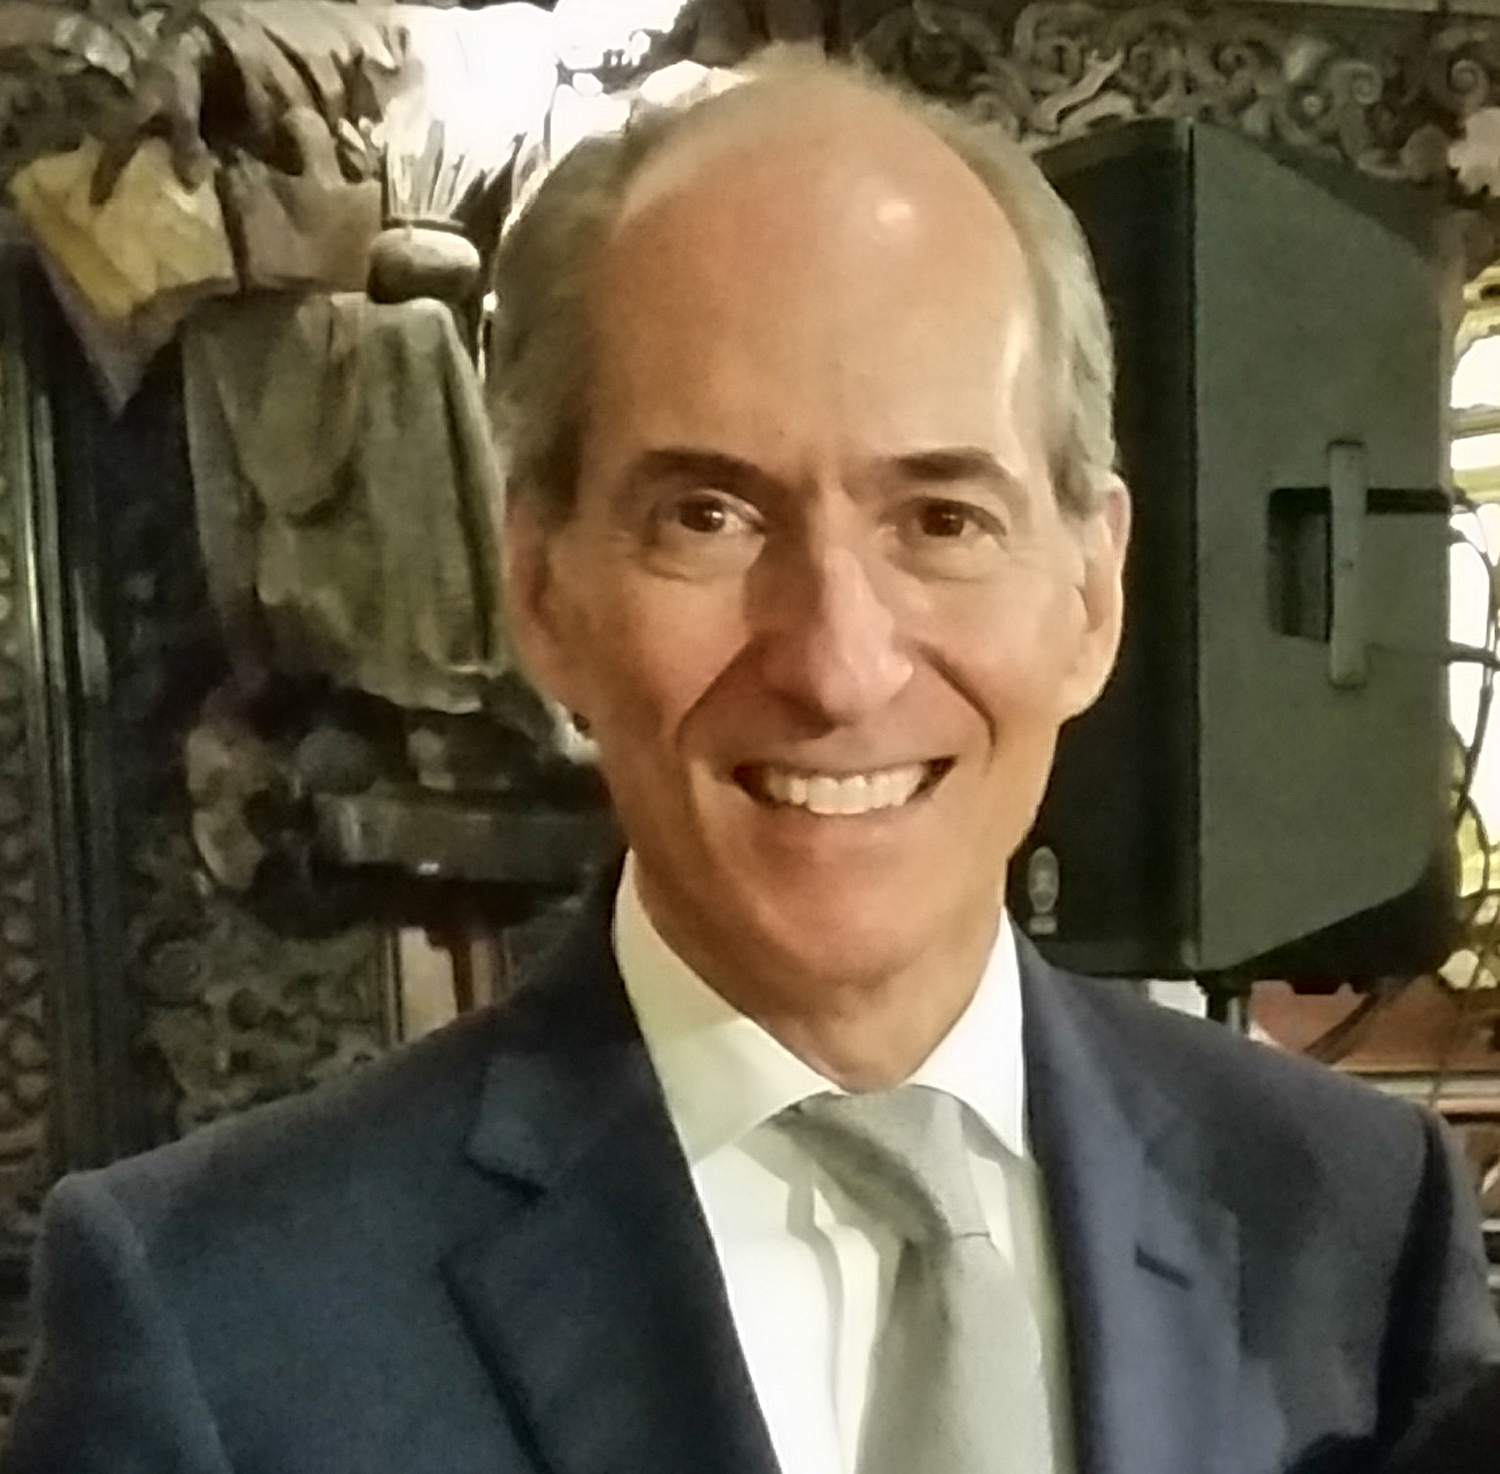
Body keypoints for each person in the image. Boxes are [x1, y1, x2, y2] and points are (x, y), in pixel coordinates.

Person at [4, 47, 1498, 1474]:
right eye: (707, 517)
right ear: (542, 588)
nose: (837, 663)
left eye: (943, 519)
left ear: (1093, 590)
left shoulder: (1348, 1223)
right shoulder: (218, 1321)